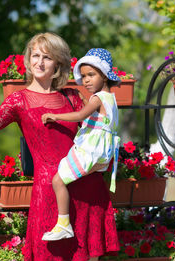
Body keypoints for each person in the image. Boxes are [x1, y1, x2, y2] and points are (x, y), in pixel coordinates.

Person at [0, 32, 119, 261]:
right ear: (28, 60)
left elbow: (99, 132)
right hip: (49, 196)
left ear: (58, 63)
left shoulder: (72, 97)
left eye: (47, 57)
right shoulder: (19, 100)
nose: (40, 62)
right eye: (35, 55)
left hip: (87, 189)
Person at [41, 48, 121, 242]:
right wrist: (85, 101)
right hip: (104, 153)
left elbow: (79, 116)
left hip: (90, 150)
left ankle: (63, 224)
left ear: (104, 75)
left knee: (57, 180)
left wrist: (55, 116)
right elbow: (100, 118)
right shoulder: (111, 99)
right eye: (84, 76)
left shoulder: (98, 98)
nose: (86, 80)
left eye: (91, 75)